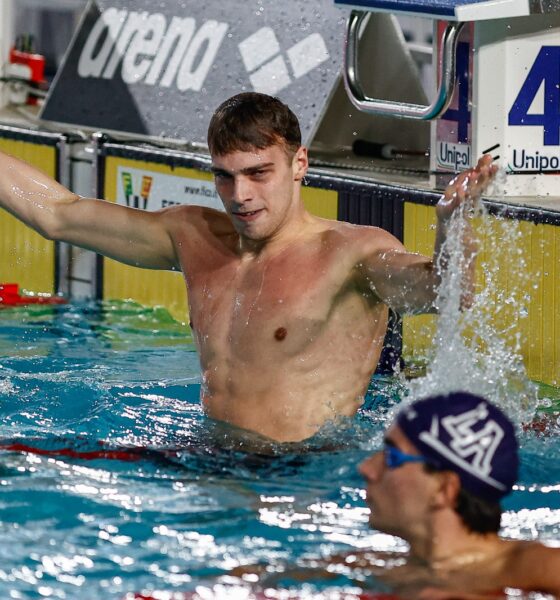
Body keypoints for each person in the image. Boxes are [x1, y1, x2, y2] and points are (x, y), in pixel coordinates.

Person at [0, 92, 496, 443]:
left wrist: (453, 225)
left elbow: (446, 293)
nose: (240, 195)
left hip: (301, 474)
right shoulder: (192, 237)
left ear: (299, 164)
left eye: (259, 173)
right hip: (206, 454)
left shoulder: (351, 255)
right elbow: (59, 215)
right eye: (225, 176)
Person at [354, 392, 560, 598]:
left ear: (444, 489)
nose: (366, 468)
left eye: (392, 457)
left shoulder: (544, 568)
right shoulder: (370, 571)